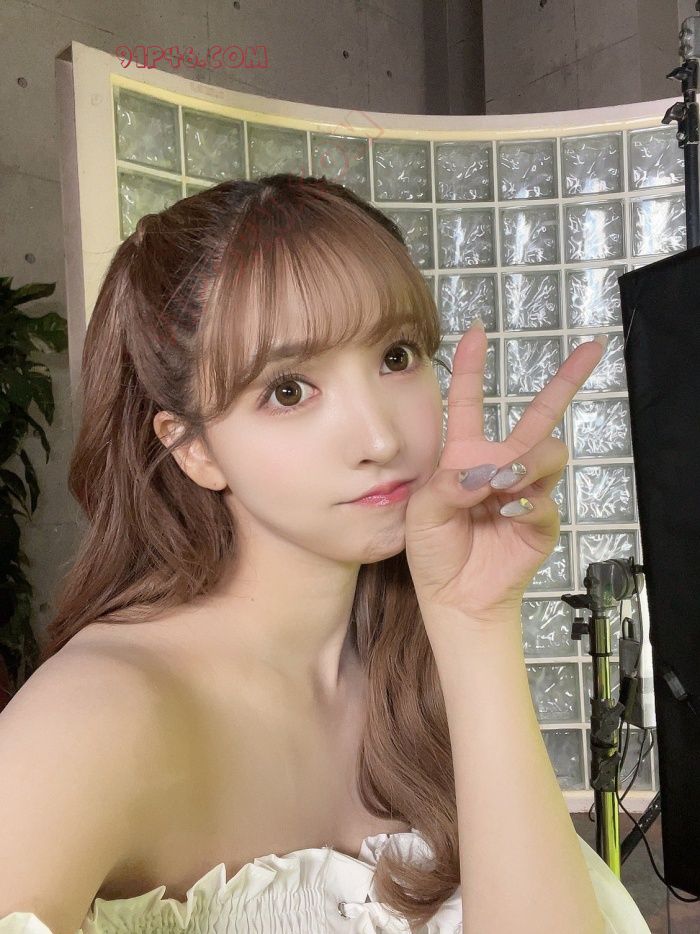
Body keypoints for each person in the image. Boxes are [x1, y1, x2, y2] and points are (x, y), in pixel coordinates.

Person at [0, 174, 650, 933]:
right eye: (288, 391)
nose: (380, 438)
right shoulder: (94, 718)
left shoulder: (413, 671)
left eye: (397, 356)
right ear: (193, 448)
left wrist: (477, 623)